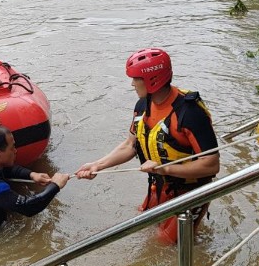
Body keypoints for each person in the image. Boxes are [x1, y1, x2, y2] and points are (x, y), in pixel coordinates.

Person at [75, 48, 220, 243]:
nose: (132, 84)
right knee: (145, 228)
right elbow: (130, 145)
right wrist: (97, 165)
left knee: (164, 244)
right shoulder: (142, 106)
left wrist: (164, 168)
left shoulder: (190, 113)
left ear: (153, 79)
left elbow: (211, 165)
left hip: (190, 190)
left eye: (136, 79)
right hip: (159, 184)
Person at [0, 126, 69, 235]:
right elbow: (28, 207)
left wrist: (31, 174)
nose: (15, 151)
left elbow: (6, 168)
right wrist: (55, 185)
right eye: (12, 148)